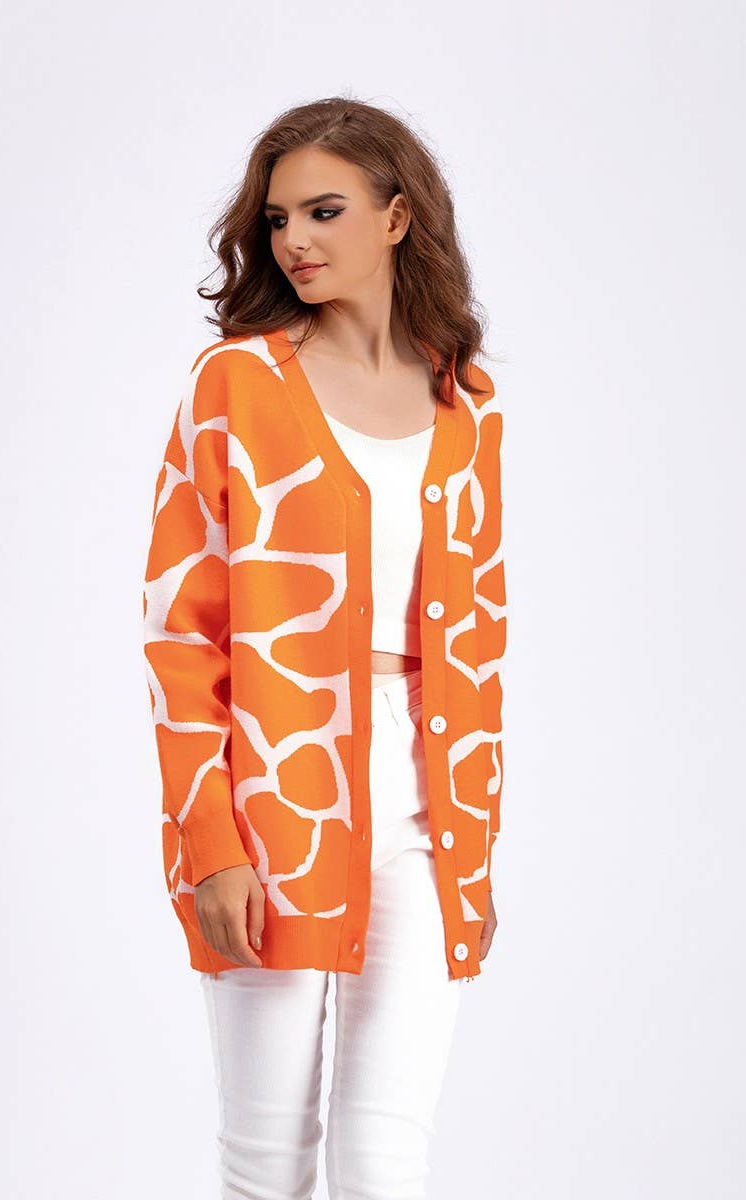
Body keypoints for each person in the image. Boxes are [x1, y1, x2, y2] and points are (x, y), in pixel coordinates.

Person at [142, 95, 508, 1200]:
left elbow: (479, 637)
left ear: (396, 218)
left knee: (387, 1159)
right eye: (277, 219)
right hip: (277, 790)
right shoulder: (235, 386)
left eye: (323, 211)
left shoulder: (467, 400)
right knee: (268, 1159)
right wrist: (210, 841)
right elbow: (179, 633)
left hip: (428, 809)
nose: (293, 240)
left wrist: (476, 848)